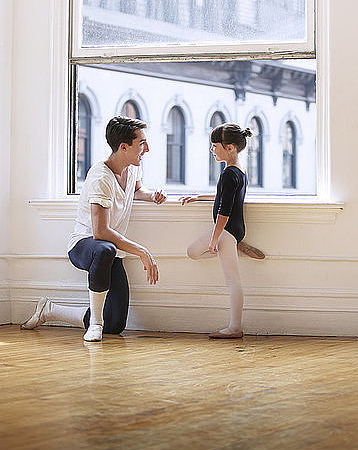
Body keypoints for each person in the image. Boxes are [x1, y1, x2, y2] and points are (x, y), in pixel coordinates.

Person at [21, 117, 166, 342]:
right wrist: (141, 251)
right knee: (104, 248)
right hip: (84, 245)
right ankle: (95, 324)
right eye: (142, 143)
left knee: (115, 323)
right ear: (124, 147)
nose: (147, 149)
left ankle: (50, 310)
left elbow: (136, 190)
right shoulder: (101, 177)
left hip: (110, 249)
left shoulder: (132, 168)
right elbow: (100, 232)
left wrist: (151, 195)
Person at [180, 123, 264, 340]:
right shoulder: (238, 171)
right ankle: (237, 246)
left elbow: (224, 211)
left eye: (215, 146)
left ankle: (235, 327)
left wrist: (215, 238)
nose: (212, 150)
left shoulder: (229, 174)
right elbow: (224, 198)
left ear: (230, 148)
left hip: (226, 231)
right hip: (233, 231)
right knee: (194, 252)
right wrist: (200, 197)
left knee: (231, 279)